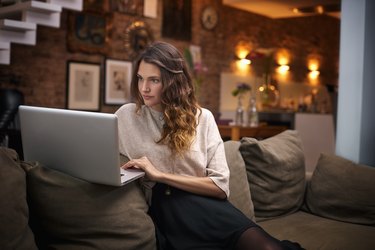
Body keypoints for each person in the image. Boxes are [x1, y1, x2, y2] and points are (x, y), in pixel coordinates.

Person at [116, 41, 304, 250]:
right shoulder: (127, 116)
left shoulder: (202, 118)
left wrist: (159, 175)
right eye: (140, 78)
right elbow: (99, 155)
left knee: (269, 248)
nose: (144, 88)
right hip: (168, 212)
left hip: (211, 208)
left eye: (154, 80)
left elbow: (220, 186)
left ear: (172, 82)